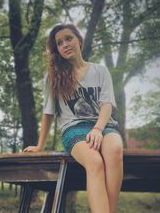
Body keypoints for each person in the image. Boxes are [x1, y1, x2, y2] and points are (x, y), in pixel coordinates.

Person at [23, 24, 123, 213]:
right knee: (95, 161)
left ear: (79, 39)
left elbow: (107, 104)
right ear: (57, 50)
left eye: (69, 38)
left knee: (115, 150)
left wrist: (97, 129)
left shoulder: (100, 71)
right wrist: (40, 145)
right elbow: (48, 112)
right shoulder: (53, 77)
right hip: (74, 128)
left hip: (103, 125)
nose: (65, 44)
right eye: (59, 43)